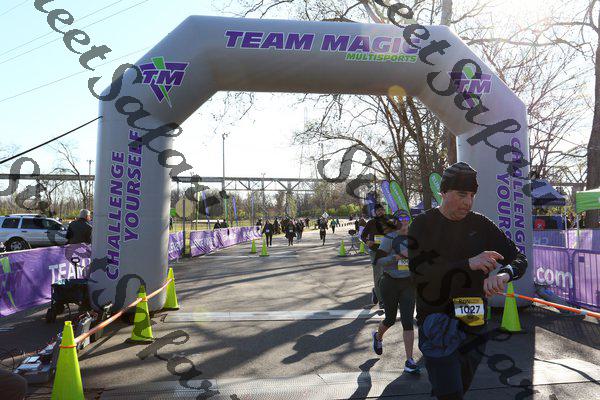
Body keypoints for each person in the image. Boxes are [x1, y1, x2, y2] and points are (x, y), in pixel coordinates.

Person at [408, 162, 528, 400]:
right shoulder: (422, 224)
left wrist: (504, 275)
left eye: (472, 195)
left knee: (459, 387)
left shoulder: (480, 224)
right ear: (443, 192)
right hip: (437, 320)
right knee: (450, 393)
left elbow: (519, 257)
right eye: (462, 194)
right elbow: (419, 273)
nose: (468, 202)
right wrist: (468, 263)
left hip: (473, 322)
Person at [371, 215, 419, 374]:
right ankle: (378, 337)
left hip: (408, 284)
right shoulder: (389, 238)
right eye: (401, 223)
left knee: (408, 321)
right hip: (390, 282)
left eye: (407, 222)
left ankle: (409, 360)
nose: (405, 226)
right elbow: (379, 261)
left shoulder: (414, 238)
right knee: (390, 319)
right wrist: (397, 257)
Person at [360, 204, 387, 308]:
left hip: (387, 252)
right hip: (375, 252)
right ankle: (382, 301)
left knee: (387, 275)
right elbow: (363, 235)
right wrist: (367, 241)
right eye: (378, 210)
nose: (380, 212)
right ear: (375, 212)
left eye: (382, 210)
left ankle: (376, 292)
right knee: (378, 275)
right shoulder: (371, 222)